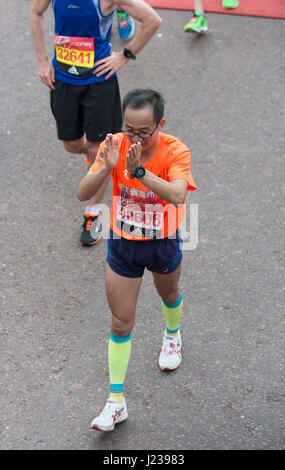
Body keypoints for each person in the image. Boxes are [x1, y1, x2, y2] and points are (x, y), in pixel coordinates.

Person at [77, 89, 197, 431]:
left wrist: (140, 172)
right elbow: (82, 194)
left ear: (160, 124)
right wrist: (107, 169)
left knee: (169, 294)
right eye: (129, 129)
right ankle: (116, 402)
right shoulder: (113, 145)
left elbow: (176, 195)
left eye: (143, 132)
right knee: (120, 323)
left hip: (162, 243)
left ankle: (172, 333)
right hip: (124, 245)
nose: (135, 138)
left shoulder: (176, 151)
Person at [29, 0, 161, 246]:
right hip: (63, 80)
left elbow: (153, 20)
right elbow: (36, 12)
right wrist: (42, 60)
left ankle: (94, 211)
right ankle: (97, 158)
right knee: (71, 144)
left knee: (96, 147)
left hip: (98, 83)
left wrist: (123, 56)